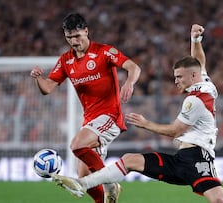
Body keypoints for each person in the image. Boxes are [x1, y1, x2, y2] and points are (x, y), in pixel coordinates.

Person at [51, 24, 223, 203]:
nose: (176, 81)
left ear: (192, 76)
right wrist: (196, 39)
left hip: (199, 158)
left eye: (179, 77)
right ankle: (82, 183)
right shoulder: (205, 83)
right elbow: (199, 62)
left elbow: (175, 131)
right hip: (180, 159)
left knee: (220, 200)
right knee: (130, 159)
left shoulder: (194, 101)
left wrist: (145, 123)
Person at [30, 13, 141, 203]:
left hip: (110, 116)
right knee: (83, 176)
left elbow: (133, 67)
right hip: (90, 121)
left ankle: (110, 183)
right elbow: (47, 88)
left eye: (77, 36)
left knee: (76, 145)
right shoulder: (66, 60)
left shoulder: (104, 52)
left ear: (86, 31)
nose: (74, 41)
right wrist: (38, 78)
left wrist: (129, 83)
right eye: (69, 37)